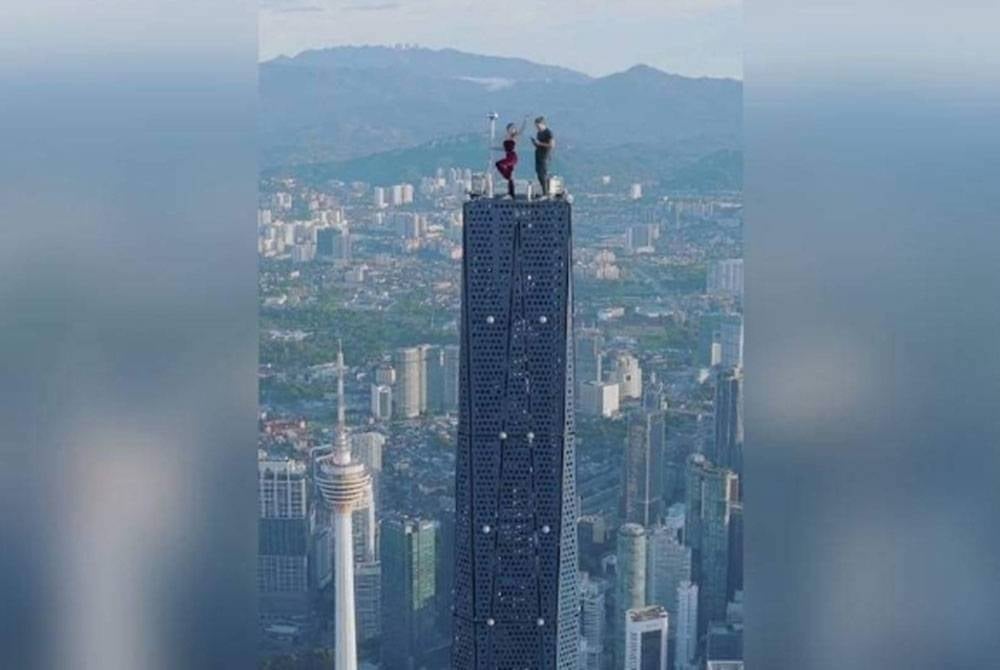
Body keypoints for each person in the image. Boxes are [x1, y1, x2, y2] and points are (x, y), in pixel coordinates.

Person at [494, 118, 527, 198]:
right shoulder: (506, 138)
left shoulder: (514, 137)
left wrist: (525, 120)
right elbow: (504, 149)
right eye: (511, 128)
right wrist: (494, 148)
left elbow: (522, 130)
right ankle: (511, 194)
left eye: (514, 128)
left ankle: (507, 177)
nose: (513, 129)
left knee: (499, 164)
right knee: (510, 178)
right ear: (508, 129)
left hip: (512, 157)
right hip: (507, 155)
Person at [531, 116, 555, 196]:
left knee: (543, 174)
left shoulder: (548, 133)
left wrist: (540, 143)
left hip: (545, 155)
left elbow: (551, 145)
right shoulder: (538, 133)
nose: (537, 128)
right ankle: (544, 191)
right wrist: (535, 143)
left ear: (542, 124)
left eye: (538, 126)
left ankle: (546, 193)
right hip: (538, 154)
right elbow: (539, 145)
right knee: (539, 174)